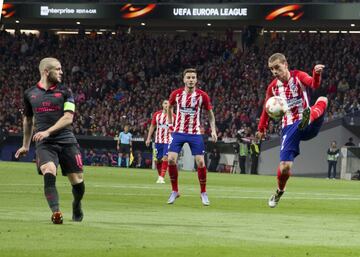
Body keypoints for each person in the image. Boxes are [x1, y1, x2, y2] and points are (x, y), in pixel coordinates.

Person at [15, 57, 85, 224]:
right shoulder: (30, 94)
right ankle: (56, 212)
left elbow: (68, 118)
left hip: (66, 140)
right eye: (58, 69)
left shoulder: (66, 92)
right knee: (48, 170)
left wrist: (47, 131)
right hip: (45, 143)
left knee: (77, 181)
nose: (61, 72)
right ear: (46, 72)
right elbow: (28, 120)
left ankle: (76, 203)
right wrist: (25, 145)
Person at [256, 53, 328, 208]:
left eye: (277, 68)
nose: (274, 72)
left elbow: (313, 85)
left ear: (285, 64)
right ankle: (279, 191)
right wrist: (261, 128)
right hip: (289, 127)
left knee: (323, 99)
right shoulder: (273, 88)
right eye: (271, 69)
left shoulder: (298, 76)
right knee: (285, 168)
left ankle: (309, 116)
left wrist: (315, 73)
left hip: (308, 122)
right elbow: (266, 109)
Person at [166, 68, 217, 206]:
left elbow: (210, 114)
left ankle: (203, 193)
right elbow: (169, 107)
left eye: (193, 77)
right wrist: (170, 123)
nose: (191, 80)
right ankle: (175, 191)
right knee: (171, 159)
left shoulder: (202, 96)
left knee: (200, 162)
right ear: (184, 79)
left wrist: (213, 130)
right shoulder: (176, 94)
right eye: (188, 77)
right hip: (178, 132)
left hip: (195, 133)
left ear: (196, 80)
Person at [145, 100, 175, 183]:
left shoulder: (174, 116)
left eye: (168, 103)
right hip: (158, 140)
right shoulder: (157, 115)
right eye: (165, 103)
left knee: (165, 157)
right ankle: (160, 176)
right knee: (157, 160)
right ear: (162, 105)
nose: (166, 105)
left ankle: (161, 177)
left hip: (168, 140)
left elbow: (176, 129)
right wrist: (148, 138)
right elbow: (152, 126)